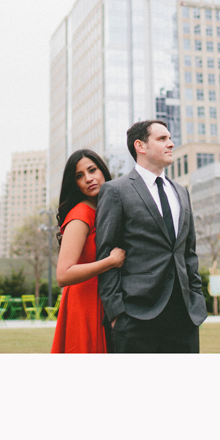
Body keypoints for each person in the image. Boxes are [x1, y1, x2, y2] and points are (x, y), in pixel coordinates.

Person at [96, 120, 207, 353]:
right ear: (140, 146)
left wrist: (196, 298)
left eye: (170, 138)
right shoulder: (116, 191)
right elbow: (106, 254)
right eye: (162, 139)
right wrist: (117, 314)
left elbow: (189, 253)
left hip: (184, 318)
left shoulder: (181, 191)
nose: (171, 144)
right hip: (135, 318)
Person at [51, 149, 126, 353]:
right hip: (84, 303)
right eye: (79, 176)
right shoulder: (81, 214)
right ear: (74, 184)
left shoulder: (102, 210)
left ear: (102, 171)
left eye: (92, 170)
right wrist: (111, 262)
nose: (88, 179)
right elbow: (63, 274)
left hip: (103, 299)